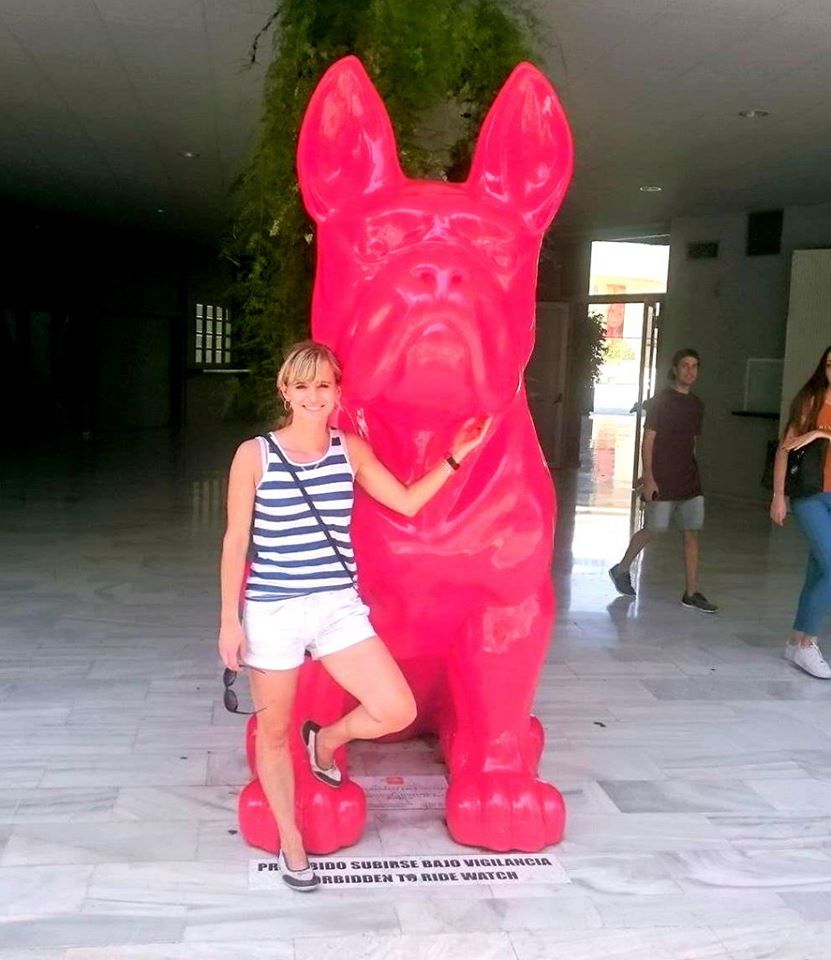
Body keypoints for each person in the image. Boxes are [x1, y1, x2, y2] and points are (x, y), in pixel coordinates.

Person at [218, 340, 489, 891]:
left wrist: (457, 455)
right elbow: (234, 541)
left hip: (337, 607)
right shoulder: (255, 454)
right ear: (285, 390)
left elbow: (408, 502)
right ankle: (292, 843)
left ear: (338, 392)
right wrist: (229, 619)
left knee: (395, 707)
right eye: (303, 385)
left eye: (324, 385)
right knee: (274, 734)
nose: (314, 395)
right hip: (272, 608)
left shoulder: (350, 449)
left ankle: (328, 740)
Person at [609, 348, 718, 612]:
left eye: (695, 366)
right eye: (685, 366)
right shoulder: (661, 401)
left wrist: (692, 469)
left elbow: (692, 441)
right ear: (675, 369)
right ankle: (621, 568)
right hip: (662, 479)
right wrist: (648, 477)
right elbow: (649, 440)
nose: (690, 371)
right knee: (654, 529)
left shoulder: (697, 405)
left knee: (692, 532)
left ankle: (691, 593)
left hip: (689, 479)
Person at [770, 345, 831, 679]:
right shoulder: (811, 401)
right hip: (811, 496)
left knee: (820, 571)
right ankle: (807, 645)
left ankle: (795, 642)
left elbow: (813, 437)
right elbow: (785, 449)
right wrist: (778, 496)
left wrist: (820, 432)